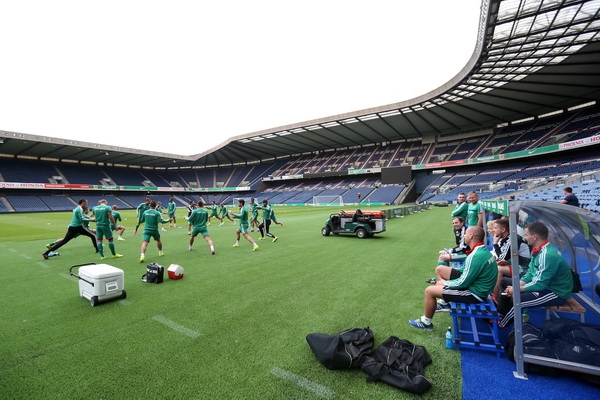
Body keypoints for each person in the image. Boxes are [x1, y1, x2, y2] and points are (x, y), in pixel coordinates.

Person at [408, 226, 497, 330]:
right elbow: (465, 271)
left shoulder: (476, 255)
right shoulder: (481, 250)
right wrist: (446, 279)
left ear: (471, 236)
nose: (464, 235)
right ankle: (444, 303)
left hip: (474, 293)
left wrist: (445, 283)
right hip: (476, 285)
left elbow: (463, 283)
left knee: (429, 291)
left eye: (466, 234)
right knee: (440, 269)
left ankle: (426, 323)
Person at [497, 221, 573, 328]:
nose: (524, 237)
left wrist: (516, 289)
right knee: (505, 282)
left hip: (555, 292)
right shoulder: (537, 250)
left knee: (518, 300)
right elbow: (531, 273)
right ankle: (502, 314)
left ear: (535, 236)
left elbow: (540, 284)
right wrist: (517, 285)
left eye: (526, 235)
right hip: (544, 286)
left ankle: (502, 324)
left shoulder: (547, 255)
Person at [490, 218, 531, 300]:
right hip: (514, 263)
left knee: (498, 269)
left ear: (503, 229)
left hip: (524, 267)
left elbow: (502, 257)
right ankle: (491, 291)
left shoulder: (512, 239)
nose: (493, 230)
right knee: (490, 263)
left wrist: (495, 244)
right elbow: (501, 257)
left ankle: (496, 298)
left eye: (495, 228)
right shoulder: (503, 238)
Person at [425, 217, 469, 284]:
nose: (454, 224)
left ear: (462, 223)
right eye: (453, 223)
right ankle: (444, 276)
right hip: (462, 252)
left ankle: (437, 279)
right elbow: (459, 244)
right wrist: (449, 250)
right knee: (444, 255)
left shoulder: (465, 230)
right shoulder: (456, 229)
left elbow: (462, 247)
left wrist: (450, 251)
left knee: (442, 257)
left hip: (467, 254)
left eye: (456, 222)